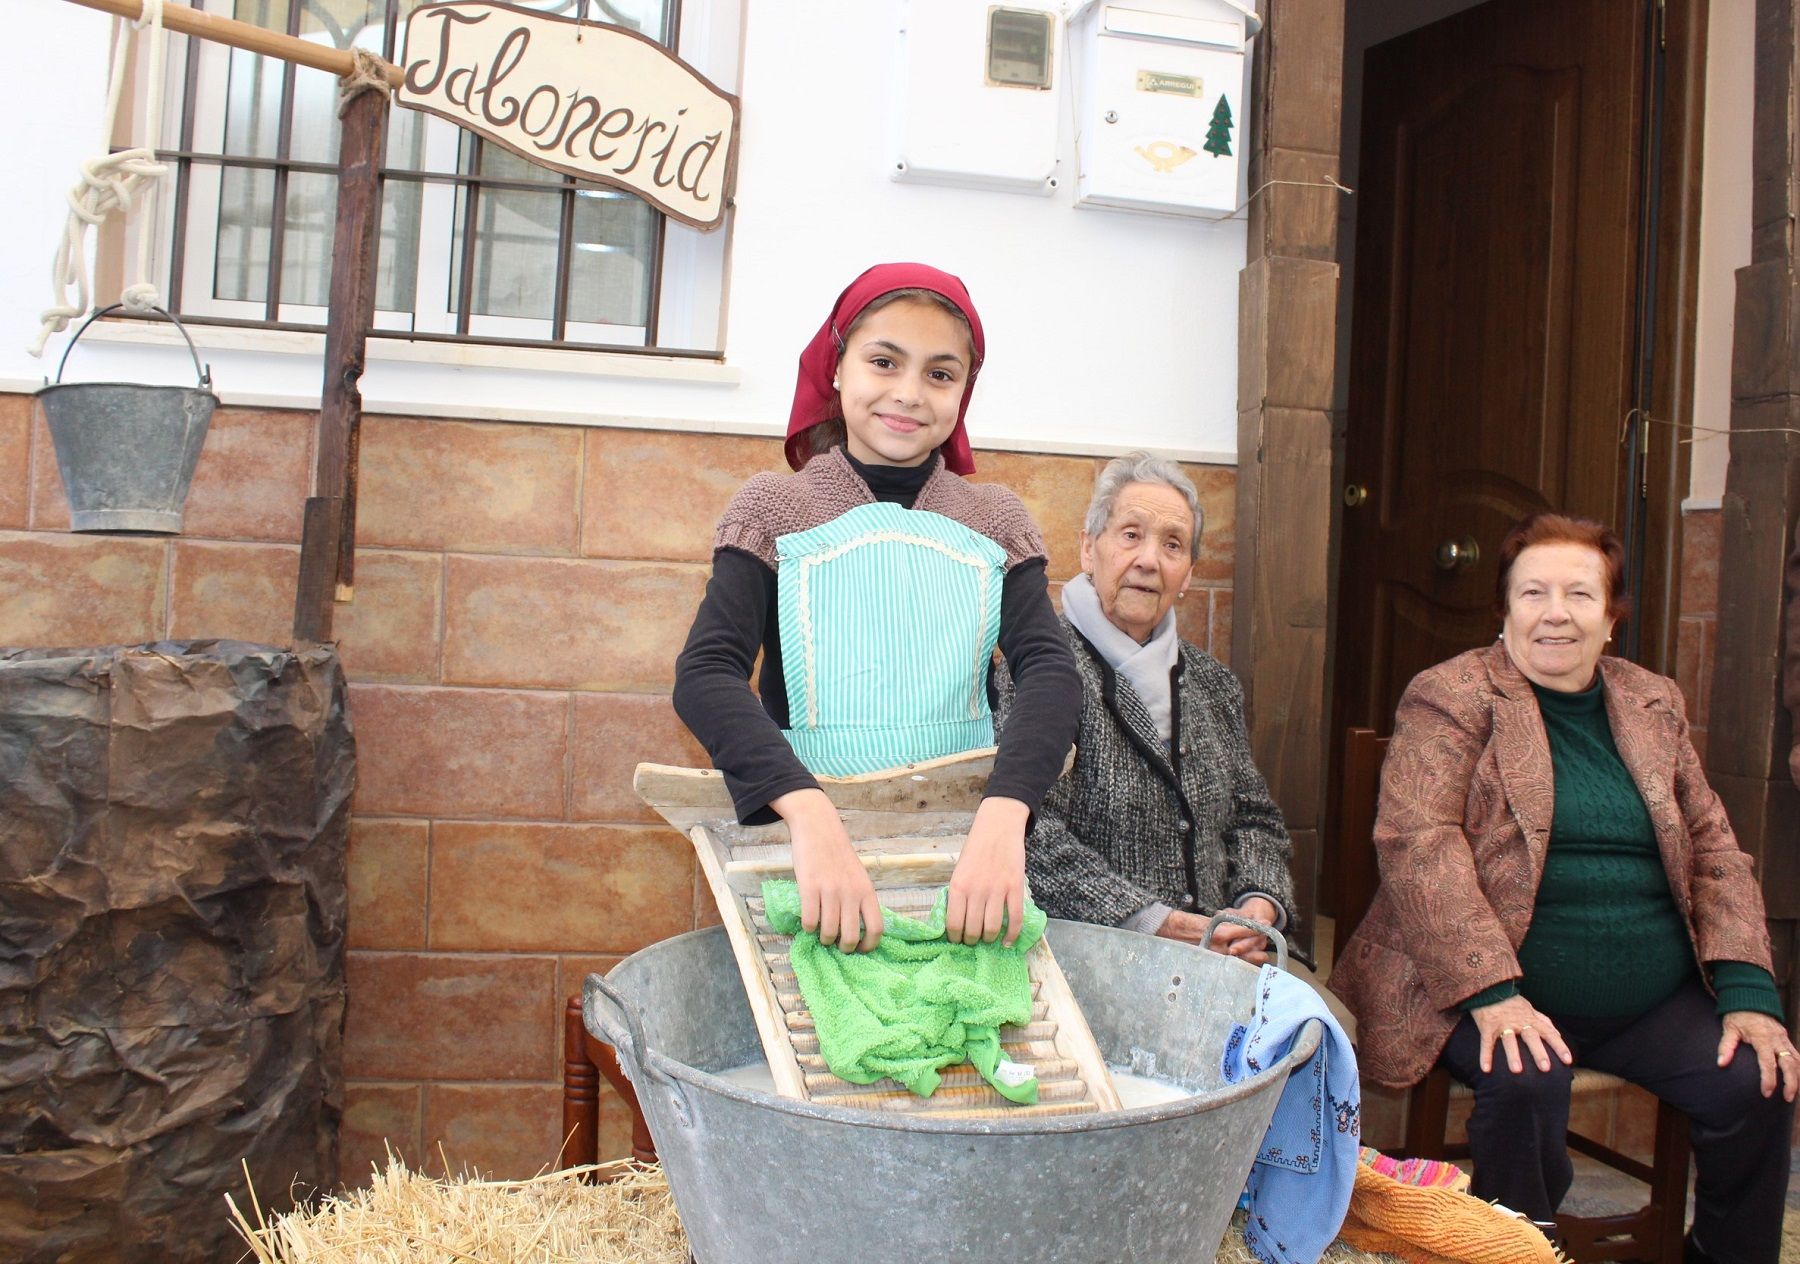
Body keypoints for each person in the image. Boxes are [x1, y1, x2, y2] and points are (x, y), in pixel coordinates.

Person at [1329, 511, 1796, 1264]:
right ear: (1504, 611)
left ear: (1611, 616)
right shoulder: (1450, 695)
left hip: (1647, 1001)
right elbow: (1419, 846)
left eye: (1579, 595)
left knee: (1758, 1080)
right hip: (1490, 983)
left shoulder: (1652, 702)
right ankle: (1515, 1252)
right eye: (1533, 593)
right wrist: (1493, 992)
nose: (1555, 613)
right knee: (1525, 1078)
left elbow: (1711, 843)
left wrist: (1748, 988)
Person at [672, 262, 1081, 955]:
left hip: (961, 858)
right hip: (803, 854)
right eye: (884, 361)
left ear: (963, 393)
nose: (909, 393)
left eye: (940, 374)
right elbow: (707, 673)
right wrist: (810, 815)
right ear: (836, 368)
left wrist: (1005, 815)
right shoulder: (776, 508)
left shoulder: (995, 518)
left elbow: (1049, 669)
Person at [997, 452, 1295, 962]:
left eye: (1172, 545)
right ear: (1089, 550)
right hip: (1095, 961)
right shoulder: (1039, 671)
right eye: (1131, 535)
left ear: (1188, 574)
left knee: (1319, 1035)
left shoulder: (1213, 683)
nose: (1149, 560)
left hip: (1227, 959)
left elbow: (1255, 819)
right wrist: (1153, 922)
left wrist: (1256, 909)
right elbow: (1024, 833)